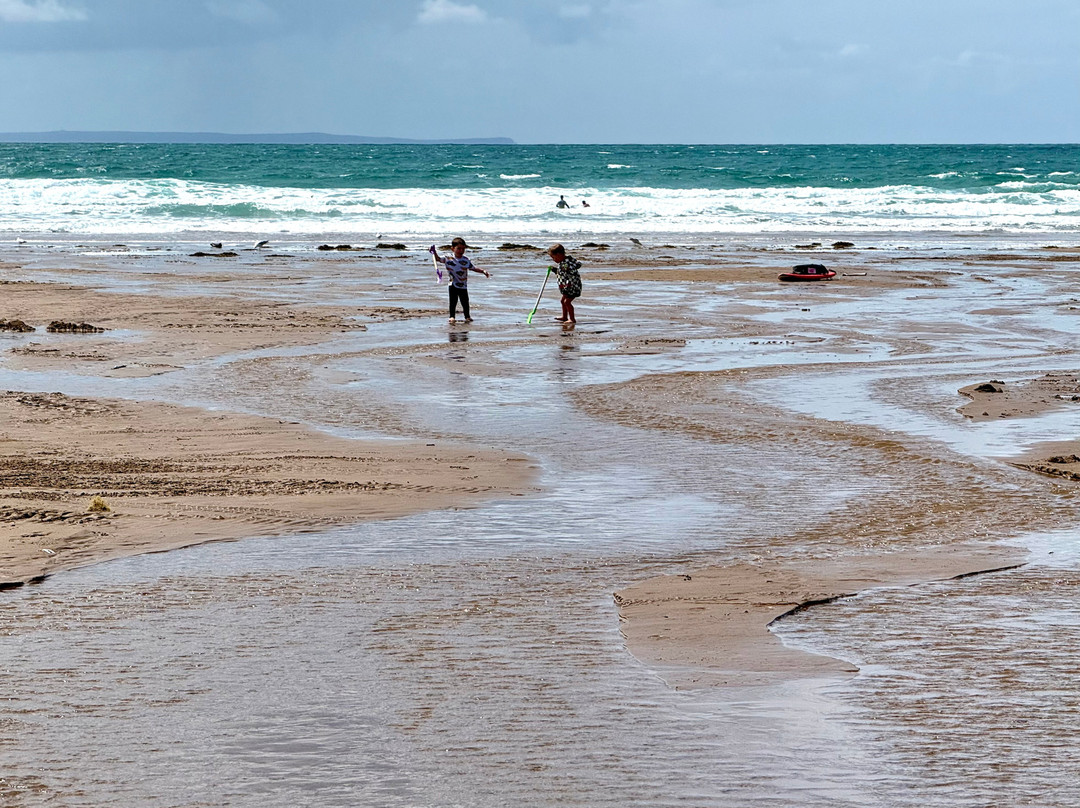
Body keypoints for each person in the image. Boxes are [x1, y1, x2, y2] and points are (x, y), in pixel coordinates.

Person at [430, 238, 489, 323]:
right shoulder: (448, 258)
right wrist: (434, 252)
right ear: (453, 248)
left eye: (463, 249)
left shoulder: (465, 260)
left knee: (465, 301)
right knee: (453, 301)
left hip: (463, 284)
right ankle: (452, 316)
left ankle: (467, 316)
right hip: (452, 283)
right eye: (459, 248)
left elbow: (473, 268)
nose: (461, 251)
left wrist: (483, 271)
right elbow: (437, 259)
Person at [547, 243, 582, 323]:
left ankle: (572, 319)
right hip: (567, 286)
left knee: (567, 302)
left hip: (571, 287)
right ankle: (564, 316)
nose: (553, 260)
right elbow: (562, 273)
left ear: (559, 254)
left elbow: (570, 273)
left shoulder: (566, 264)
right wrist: (554, 270)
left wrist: (568, 284)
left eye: (553, 257)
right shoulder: (566, 262)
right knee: (563, 301)